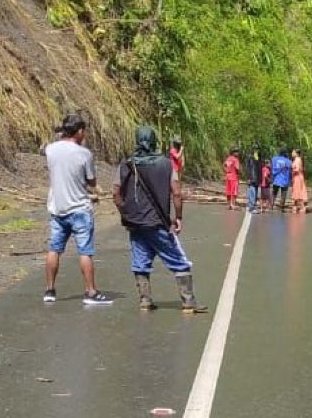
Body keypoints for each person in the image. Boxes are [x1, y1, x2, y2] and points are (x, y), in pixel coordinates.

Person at [113, 125, 208, 313]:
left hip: (135, 223)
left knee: (140, 261)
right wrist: (178, 217)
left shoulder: (126, 164)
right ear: (154, 141)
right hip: (158, 222)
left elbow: (116, 193)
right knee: (179, 261)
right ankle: (188, 302)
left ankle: (145, 301)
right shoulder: (166, 164)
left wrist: (125, 212)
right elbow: (177, 193)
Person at [43, 113, 110, 305]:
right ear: (79, 131)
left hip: (57, 209)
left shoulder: (51, 150)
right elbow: (91, 181)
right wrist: (91, 194)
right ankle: (90, 292)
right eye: (84, 131)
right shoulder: (84, 154)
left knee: (54, 249)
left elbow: (54, 158)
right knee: (85, 252)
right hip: (80, 208)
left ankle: (49, 290)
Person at [245, 146, 263, 213]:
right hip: (252, 178)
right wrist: (248, 177)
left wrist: (260, 179)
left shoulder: (259, 157)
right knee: (252, 193)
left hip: (257, 178)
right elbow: (248, 168)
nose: (256, 150)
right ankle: (251, 207)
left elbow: (260, 169)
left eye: (257, 149)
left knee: (255, 194)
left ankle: (253, 206)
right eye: (255, 149)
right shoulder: (250, 157)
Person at [290, 148, 308, 213]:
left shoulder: (297, 160)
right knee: (296, 192)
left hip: (297, 177)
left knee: (298, 192)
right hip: (297, 177)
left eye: (293, 152)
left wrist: (292, 170)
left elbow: (297, 169)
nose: (292, 153)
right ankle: (295, 207)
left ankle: (302, 207)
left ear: (296, 153)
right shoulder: (297, 159)